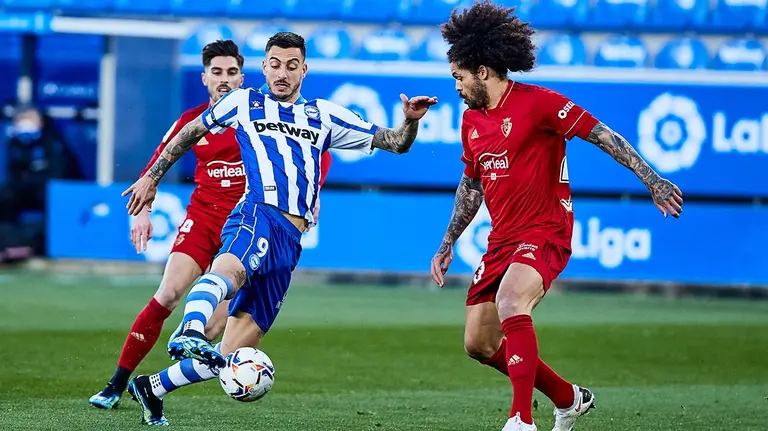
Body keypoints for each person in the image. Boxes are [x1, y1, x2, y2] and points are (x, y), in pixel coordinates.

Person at [121, 31, 437, 426]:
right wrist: (152, 177)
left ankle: (152, 387)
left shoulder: (325, 115)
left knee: (233, 350)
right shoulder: (243, 101)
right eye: (275, 64)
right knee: (230, 270)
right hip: (258, 212)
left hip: (290, 242)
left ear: (304, 69)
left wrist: (409, 123)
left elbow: (394, 143)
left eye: (291, 65)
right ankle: (189, 329)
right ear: (264, 67)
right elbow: (191, 132)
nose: (282, 73)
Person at [430, 3, 684, 431]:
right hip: (502, 238)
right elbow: (471, 184)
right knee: (478, 342)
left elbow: (604, 135)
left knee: (511, 300)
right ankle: (568, 399)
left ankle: (520, 419)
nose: (456, 86)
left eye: (459, 76)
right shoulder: (471, 120)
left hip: (546, 230)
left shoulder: (541, 104)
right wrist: (447, 240)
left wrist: (652, 180)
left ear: (484, 71)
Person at [89, 39, 333, 410]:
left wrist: (310, 196)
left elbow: (314, 151)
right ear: (204, 78)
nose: (224, 79)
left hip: (253, 222)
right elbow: (157, 164)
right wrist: (142, 209)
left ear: (243, 76)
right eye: (216, 73)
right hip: (205, 219)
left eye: (232, 72)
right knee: (169, 292)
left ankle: (154, 385)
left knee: (220, 331)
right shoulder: (192, 121)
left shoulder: (257, 114)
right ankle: (116, 383)